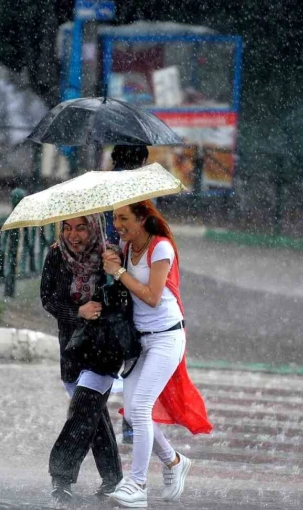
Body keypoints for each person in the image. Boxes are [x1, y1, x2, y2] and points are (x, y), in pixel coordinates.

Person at [102, 200, 212, 507]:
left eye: (123, 218)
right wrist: (113, 264)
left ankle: (137, 485)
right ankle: (175, 461)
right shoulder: (126, 248)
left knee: (140, 409)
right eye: (114, 218)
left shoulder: (160, 247)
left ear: (141, 219)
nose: (118, 224)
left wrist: (120, 271)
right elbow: (125, 288)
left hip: (166, 338)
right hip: (140, 343)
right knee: (135, 414)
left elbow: (151, 296)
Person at [40, 214, 123, 504]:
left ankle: (60, 476)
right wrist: (78, 312)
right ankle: (113, 478)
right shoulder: (55, 255)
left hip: (104, 348)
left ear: (95, 227)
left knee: (83, 410)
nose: (73, 235)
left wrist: (114, 275)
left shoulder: (110, 255)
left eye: (81, 227)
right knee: (93, 415)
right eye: (67, 227)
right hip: (71, 349)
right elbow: (48, 299)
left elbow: (124, 300)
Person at [104, 144, 149, 445]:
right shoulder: (140, 191)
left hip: (107, 270)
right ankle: (131, 422)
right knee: (135, 349)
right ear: (142, 160)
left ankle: (94, 407)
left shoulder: (103, 186)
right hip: (132, 270)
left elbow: (106, 229)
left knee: (108, 346)